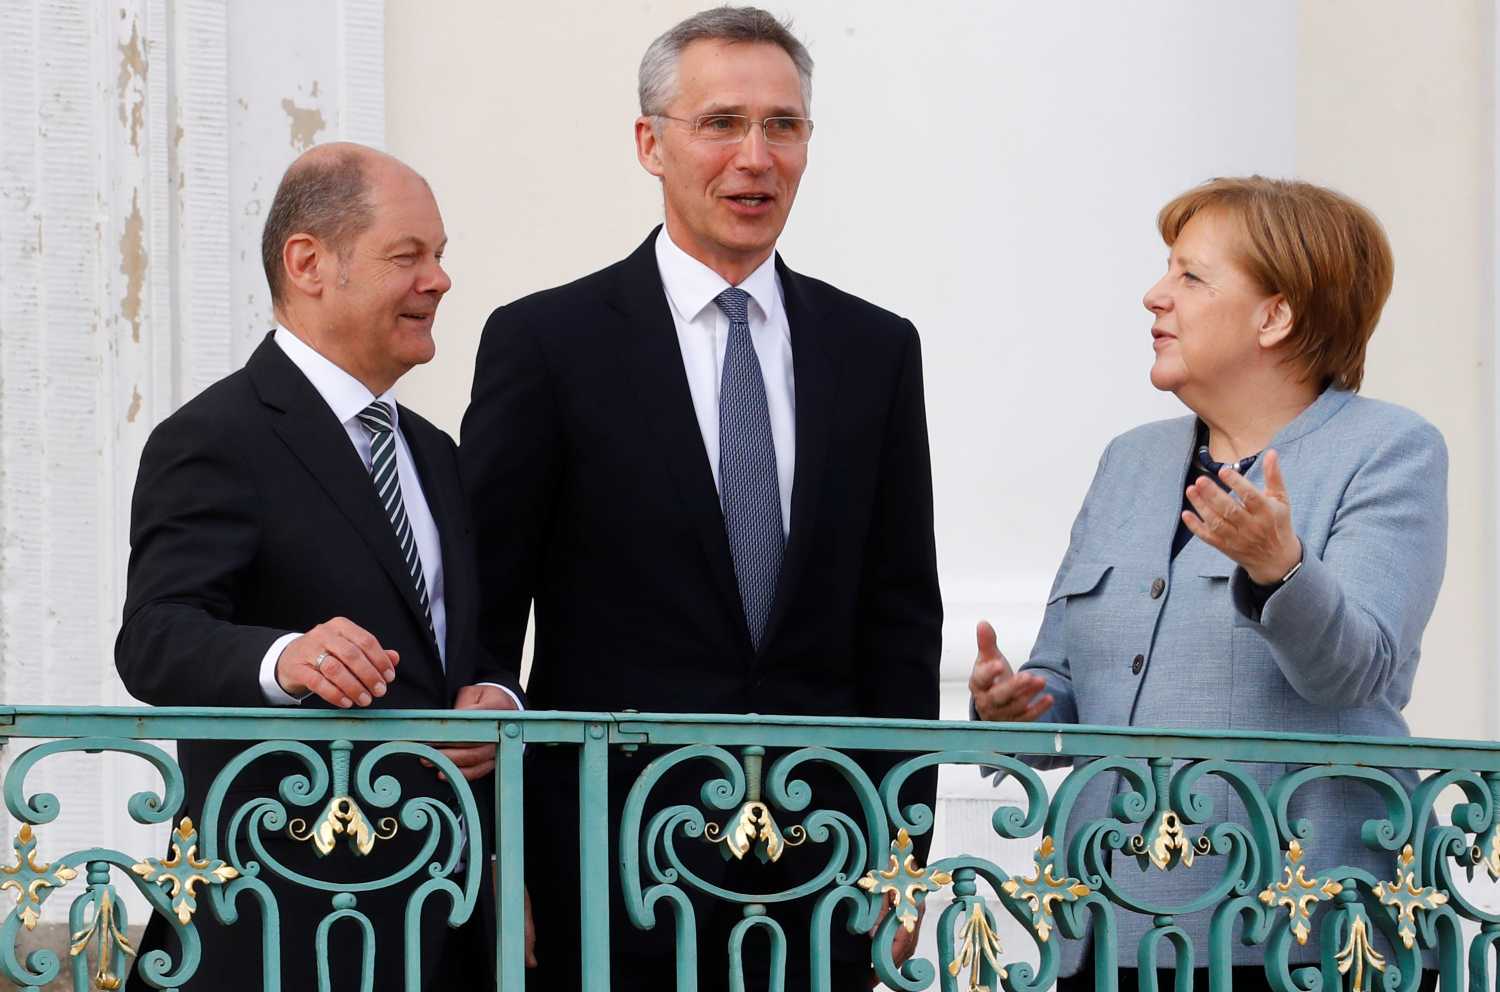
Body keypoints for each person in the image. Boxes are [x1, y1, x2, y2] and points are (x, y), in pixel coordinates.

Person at [459, 7, 942, 990]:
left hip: (824, 861)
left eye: (784, 126)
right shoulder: (547, 343)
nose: (755, 157)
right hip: (605, 860)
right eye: (721, 122)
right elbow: (485, 614)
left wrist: (906, 846)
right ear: (651, 143)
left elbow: (899, 618)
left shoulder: (875, 349)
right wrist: (496, 857)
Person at [968, 176, 1447, 990]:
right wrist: (1009, 702)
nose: (1156, 296)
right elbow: (1066, 688)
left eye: (1191, 277)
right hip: (1108, 929)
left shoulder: (1390, 451)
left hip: (1300, 937)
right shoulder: (1129, 461)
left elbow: (1354, 673)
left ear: (1276, 315)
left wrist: (1280, 568)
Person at [115, 142, 526, 991]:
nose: (440, 280)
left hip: (441, 917)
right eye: (408, 256)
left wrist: (499, 695)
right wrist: (283, 659)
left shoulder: (436, 454)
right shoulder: (214, 437)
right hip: (281, 915)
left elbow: (466, 647)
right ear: (308, 263)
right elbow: (156, 636)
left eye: (441, 256)